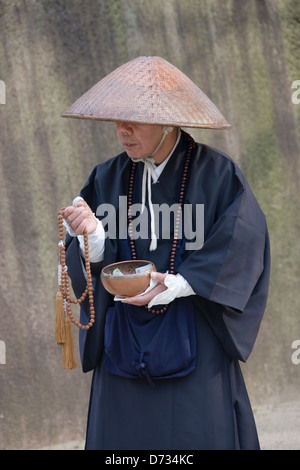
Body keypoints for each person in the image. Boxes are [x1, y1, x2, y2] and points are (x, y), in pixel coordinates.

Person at [61, 56, 270, 450]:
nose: (122, 131)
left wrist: (179, 283)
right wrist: (91, 237)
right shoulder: (106, 177)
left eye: (134, 120)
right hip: (122, 335)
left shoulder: (218, 175)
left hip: (194, 332)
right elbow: (85, 260)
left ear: (169, 121)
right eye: (117, 121)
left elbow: (244, 242)